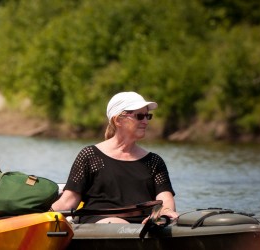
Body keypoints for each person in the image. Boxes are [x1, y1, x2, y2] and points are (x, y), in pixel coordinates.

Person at [51, 91, 178, 224]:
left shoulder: (154, 161)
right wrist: (41, 216)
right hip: (99, 225)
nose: (145, 121)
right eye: (140, 116)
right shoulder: (90, 156)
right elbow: (68, 201)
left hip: (144, 227)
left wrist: (164, 213)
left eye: (148, 116)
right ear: (118, 120)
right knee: (118, 224)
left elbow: (166, 199)